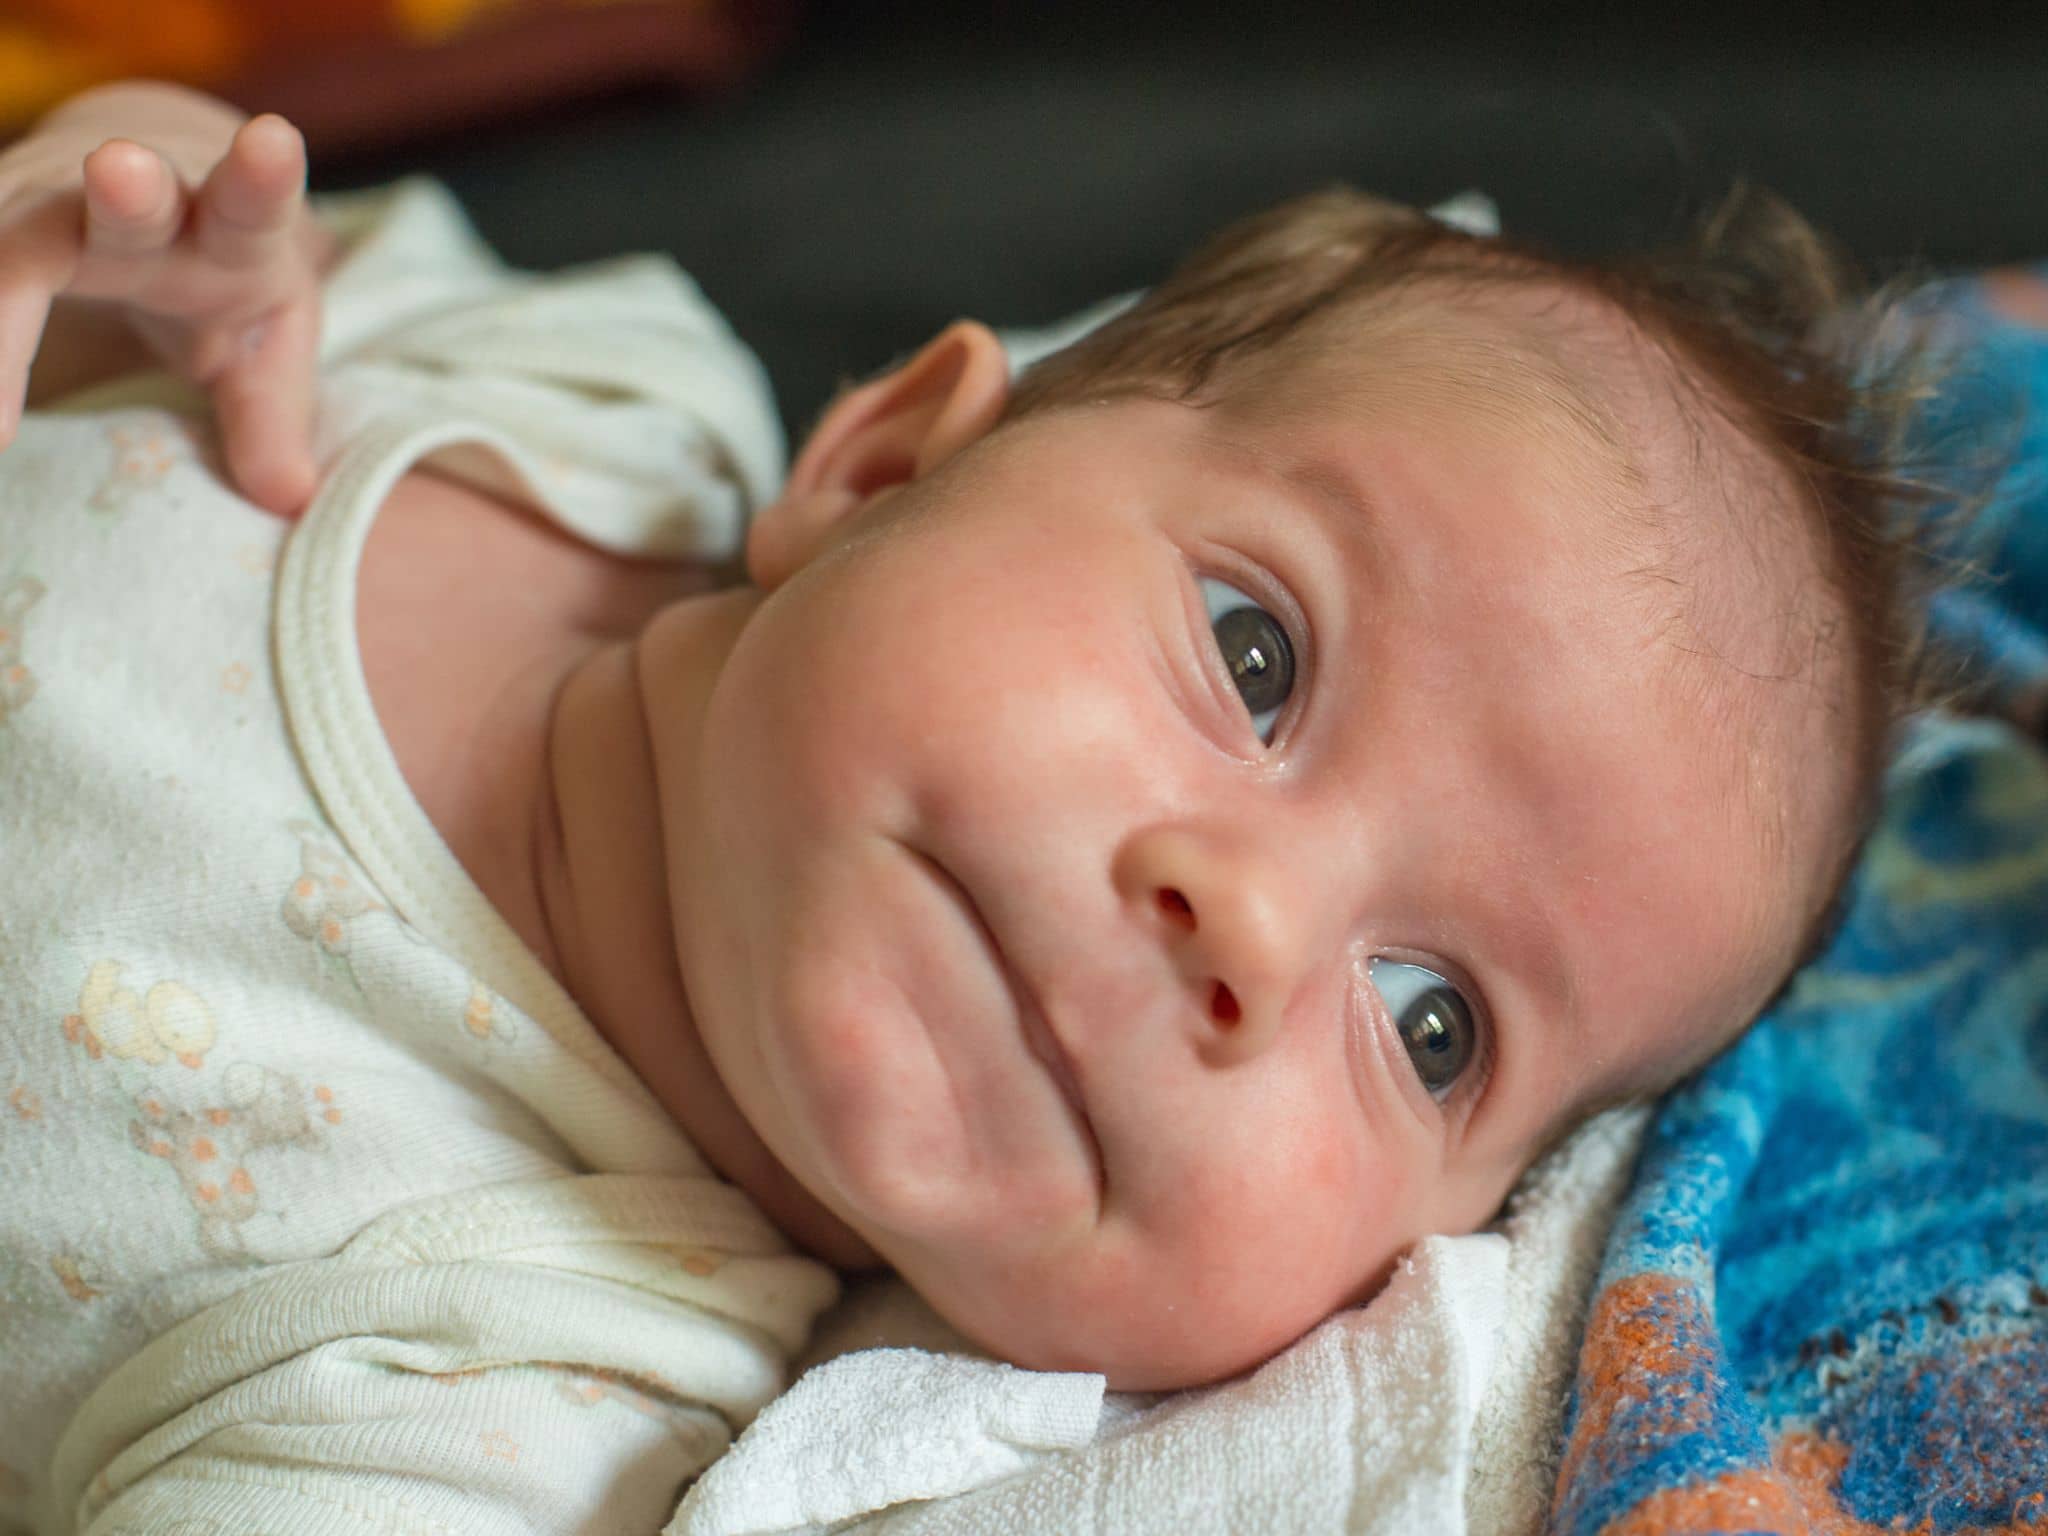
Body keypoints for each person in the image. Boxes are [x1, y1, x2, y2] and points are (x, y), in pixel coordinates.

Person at [0, 79, 1944, 1533]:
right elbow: (163, 253)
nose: (1252, 935)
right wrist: (126, 238)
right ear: (880, 464)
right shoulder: (587, 407)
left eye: (1431, 1024)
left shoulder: (509, 1388)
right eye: (1254, 659)